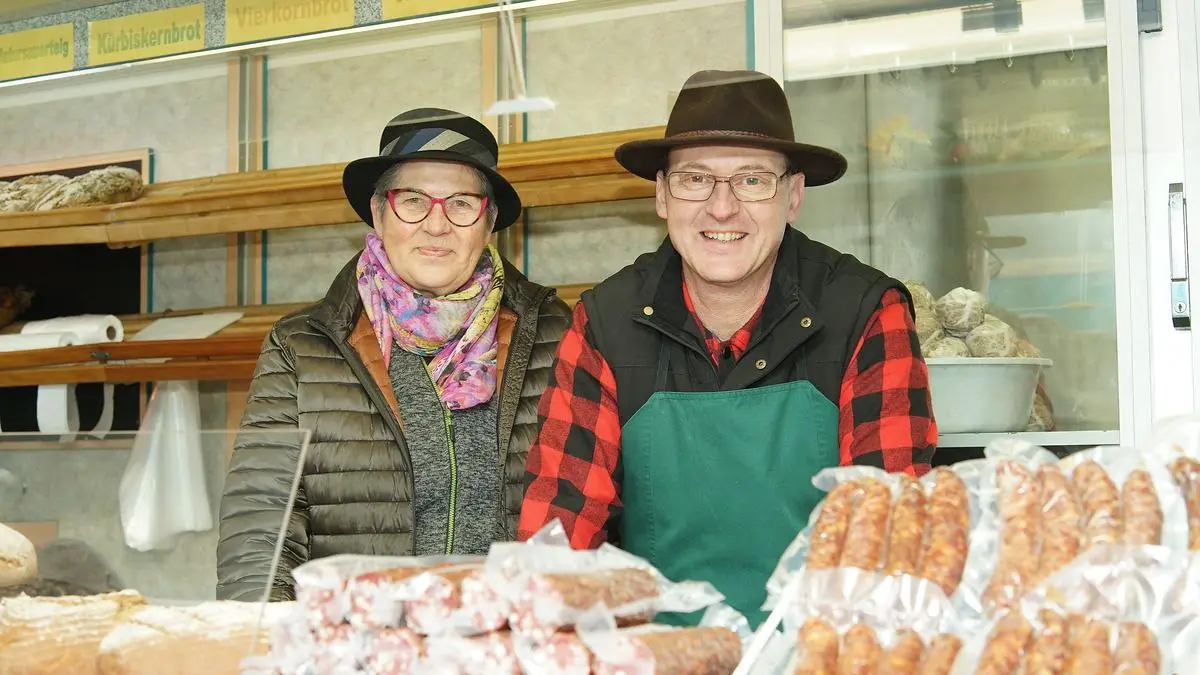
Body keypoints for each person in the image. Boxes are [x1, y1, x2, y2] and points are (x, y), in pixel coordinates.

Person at [518, 70, 937, 625]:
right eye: (696, 179)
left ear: (792, 195)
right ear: (663, 196)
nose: (722, 208)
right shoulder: (605, 323)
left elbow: (889, 538)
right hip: (657, 657)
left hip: (817, 655)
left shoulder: (864, 313)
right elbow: (558, 535)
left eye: (752, 180)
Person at [216, 108, 571, 601]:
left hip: (511, 646)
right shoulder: (304, 345)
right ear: (378, 213)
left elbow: (593, 510)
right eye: (413, 201)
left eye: (462, 203)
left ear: (488, 222)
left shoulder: (555, 332)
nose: (437, 225)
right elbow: (261, 527)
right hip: (355, 649)